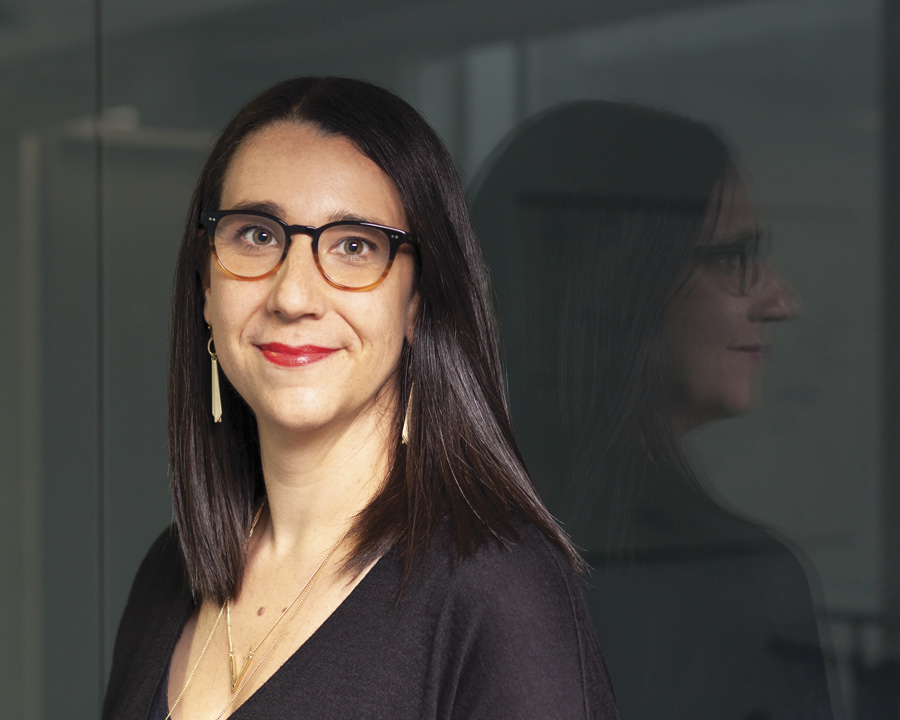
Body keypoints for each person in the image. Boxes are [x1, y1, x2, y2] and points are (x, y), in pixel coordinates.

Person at [102, 78, 618, 720]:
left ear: (418, 303)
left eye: (353, 246)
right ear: (205, 283)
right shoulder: (168, 575)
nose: (293, 296)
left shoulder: (499, 591)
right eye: (257, 236)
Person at [471, 101, 839, 719]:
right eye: (732, 259)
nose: (783, 301)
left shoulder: (417, 541)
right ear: (617, 282)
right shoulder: (740, 585)